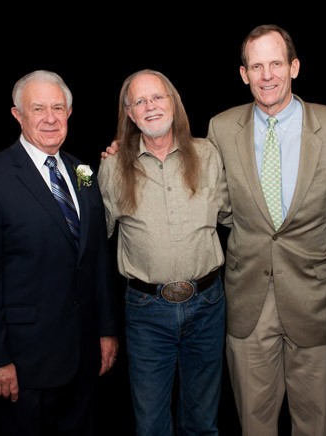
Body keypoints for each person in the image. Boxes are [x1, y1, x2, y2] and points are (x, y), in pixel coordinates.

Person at [203, 24, 326, 436]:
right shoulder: (220, 129)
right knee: (254, 424)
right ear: (244, 74)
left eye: (276, 63)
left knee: (314, 424)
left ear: (294, 67)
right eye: (257, 66)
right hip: (247, 301)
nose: (267, 75)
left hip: (315, 302)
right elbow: (201, 190)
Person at [0, 69, 119, 436]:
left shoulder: (83, 170)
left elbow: (96, 257)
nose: (50, 118)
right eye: (38, 109)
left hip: (83, 355)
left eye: (58, 107)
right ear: (18, 115)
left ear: (69, 112)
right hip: (24, 363)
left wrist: (106, 330)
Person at [98, 70, 232, 435]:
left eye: (157, 97)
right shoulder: (111, 167)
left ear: (173, 102)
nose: (150, 106)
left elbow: (234, 218)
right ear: (129, 113)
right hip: (146, 314)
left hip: (207, 306)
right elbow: (95, 243)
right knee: (151, 425)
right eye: (139, 101)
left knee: (203, 423)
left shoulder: (207, 155)